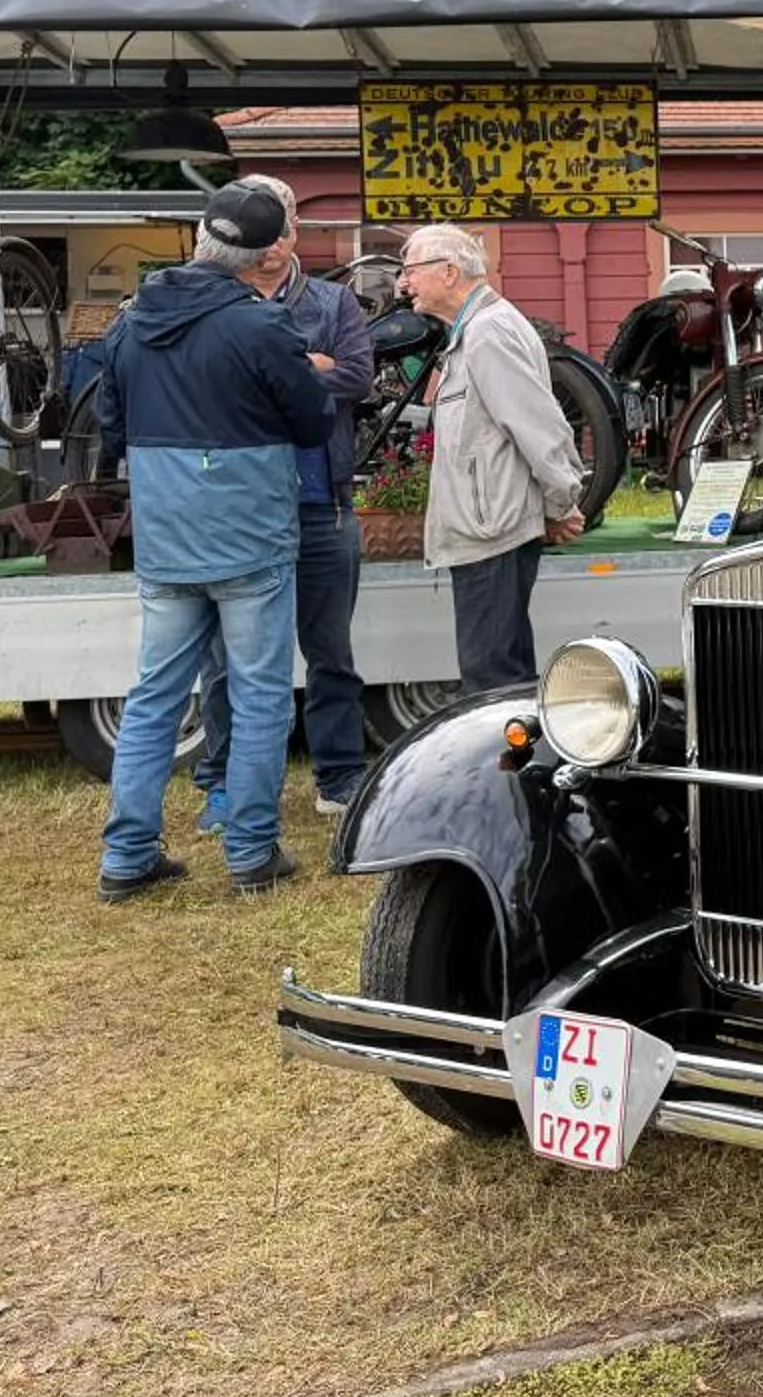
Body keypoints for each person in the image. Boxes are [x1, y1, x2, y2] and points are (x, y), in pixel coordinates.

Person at [92, 183, 337, 901]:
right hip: (249, 531)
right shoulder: (260, 327)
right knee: (260, 693)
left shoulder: (131, 323)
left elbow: (111, 428)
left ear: (200, 238)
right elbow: (314, 422)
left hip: (165, 529)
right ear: (264, 254)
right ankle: (251, 852)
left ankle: (127, 855)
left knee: (154, 696)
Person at [191, 175, 376, 829]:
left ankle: (340, 777)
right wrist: (310, 365)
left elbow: (358, 376)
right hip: (237, 510)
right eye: (256, 234)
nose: (269, 246)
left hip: (322, 504)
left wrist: (292, 365)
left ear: (294, 230)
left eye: (279, 229)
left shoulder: (333, 301)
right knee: (225, 660)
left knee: (331, 653)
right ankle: (224, 783)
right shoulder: (211, 301)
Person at [395, 224, 583, 693]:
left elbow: (539, 426)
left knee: (492, 684)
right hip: (489, 528)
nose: (404, 283)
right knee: (503, 676)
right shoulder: (479, 329)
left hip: (491, 532)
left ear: (449, 272)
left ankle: (506, 768)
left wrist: (560, 504)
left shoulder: (488, 332)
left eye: (411, 270)